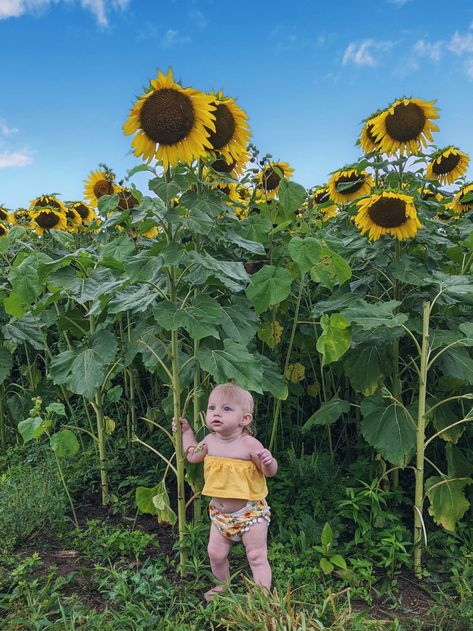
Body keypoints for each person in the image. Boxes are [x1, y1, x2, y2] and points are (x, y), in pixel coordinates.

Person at [172, 382, 278, 602]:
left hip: (250, 514)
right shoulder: (210, 441)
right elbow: (192, 455)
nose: (216, 413)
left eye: (226, 409)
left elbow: (269, 472)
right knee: (216, 554)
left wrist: (269, 461)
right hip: (220, 516)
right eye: (212, 408)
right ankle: (223, 587)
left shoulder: (249, 444)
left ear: (245, 419)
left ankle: (261, 597)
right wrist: (187, 432)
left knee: (256, 556)